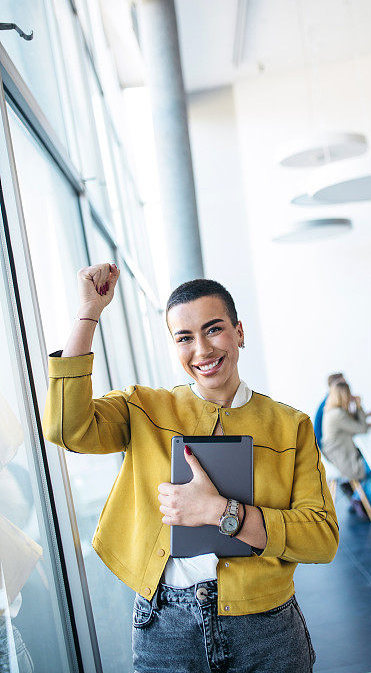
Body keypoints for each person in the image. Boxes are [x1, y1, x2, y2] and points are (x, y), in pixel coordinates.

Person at [42, 263, 339, 672]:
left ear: (239, 331)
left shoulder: (292, 426)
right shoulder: (143, 407)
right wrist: (88, 312)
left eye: (214, 329)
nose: (202, 350)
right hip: (164, 624)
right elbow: (65, 427)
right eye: (185, 338)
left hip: (265, 627)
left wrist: (220, 512)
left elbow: (321, 538)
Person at [321, 382, 371, 520]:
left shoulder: (334, 412)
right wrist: (359, 406)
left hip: (343, 459)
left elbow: (356, 426)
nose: (352, 396)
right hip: (347, 463)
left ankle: (361, 496)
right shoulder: (338, 414)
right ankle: (362, 500)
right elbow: (361, 428)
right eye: (349, 394)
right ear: (344, 396)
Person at [313, 372, 345, 450]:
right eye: (343, 384)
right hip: (327, 445)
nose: (346, 387)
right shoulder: (330, 402)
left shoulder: (331, 399)